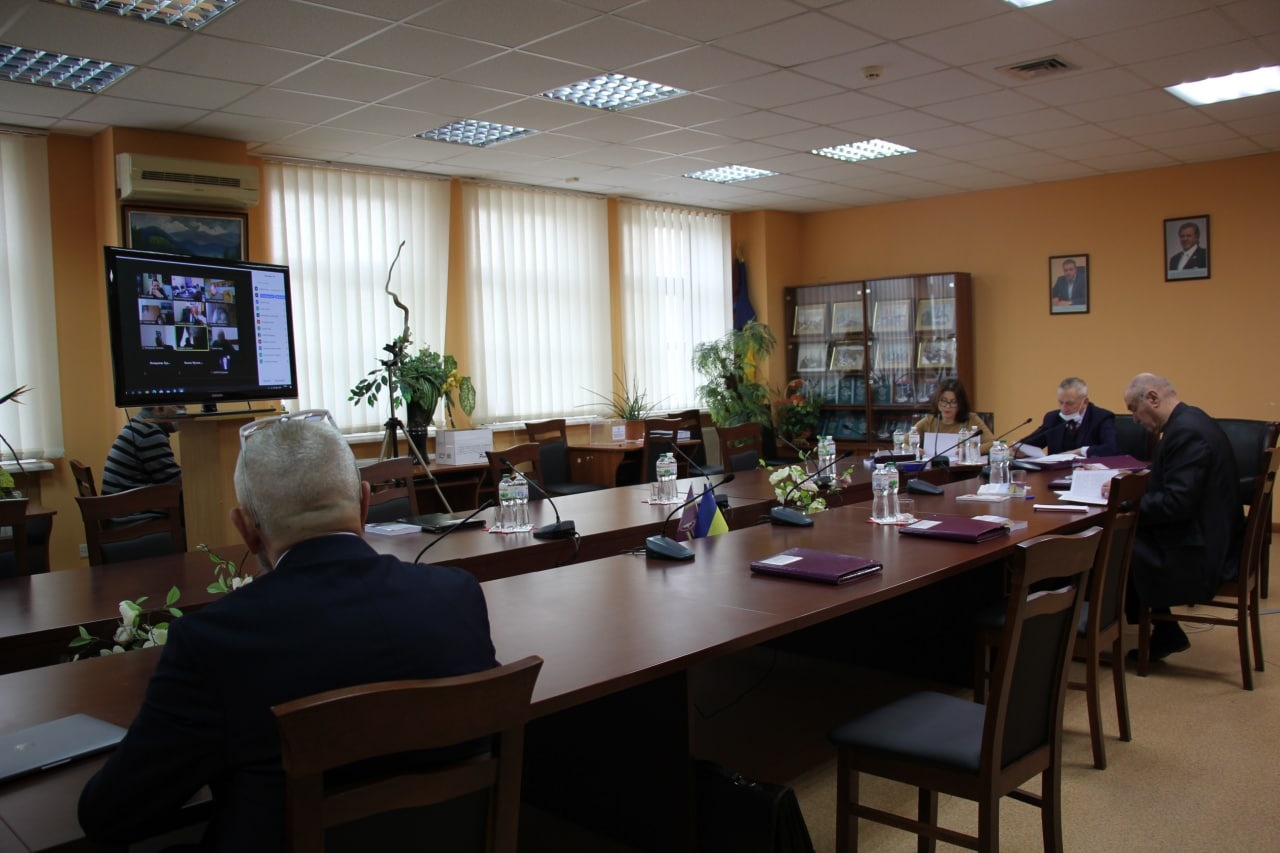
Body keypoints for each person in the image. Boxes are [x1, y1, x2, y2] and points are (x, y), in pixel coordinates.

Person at [79, 412, 500, 851]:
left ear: (246, 529)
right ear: (364, 503)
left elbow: (110, 814)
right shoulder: (457, 595)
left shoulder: (212, 643)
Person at [1114, 373, 1241, 660]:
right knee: (1123, 540)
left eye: (1134, 409)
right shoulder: (1192, 420)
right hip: (1209, 532)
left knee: (1116, 547)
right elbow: (1174, 483)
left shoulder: (1186, 434)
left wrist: (1126, 504)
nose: (1134, 419)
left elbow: (1175, 503)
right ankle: (1164, 629)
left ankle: (1093, 631)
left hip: (1201, 551)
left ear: (1153, 398)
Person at [1020, 377, 1120, 457]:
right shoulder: (1052, 418)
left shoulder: (1101, 417)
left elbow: (1112, 448)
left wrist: (1079, 451)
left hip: (1086, 472)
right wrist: (1017, 449)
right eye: (1060, 402)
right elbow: (1029, 444)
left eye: (1070, 403)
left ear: (1085, 402)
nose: (1064, 408)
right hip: (1056, 474)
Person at [101, 406, 183, 496]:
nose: (183, 413)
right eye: (179, 407)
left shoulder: (138, 422)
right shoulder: (150, 433)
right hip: (127, 503)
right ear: (159, 408)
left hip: (117, 501)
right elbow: (174, 482)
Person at [912, 377, 994, 454]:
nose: (948, 406)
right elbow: (905, 442)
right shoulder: (929, 421)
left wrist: (969, 450)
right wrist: (914, 450)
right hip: (933, 464)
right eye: (944, 401)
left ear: (960, 404)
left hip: (962, 464)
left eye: (953, 402)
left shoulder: (971, 419)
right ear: (937, 401)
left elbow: (992, 444)